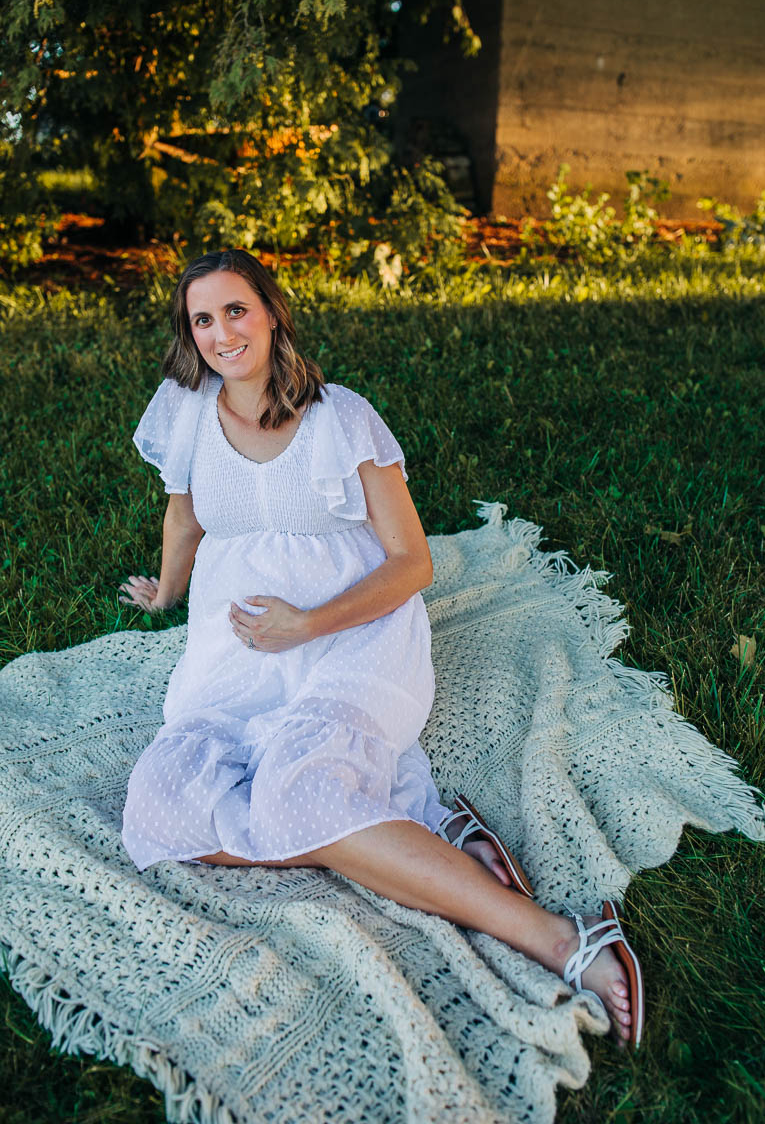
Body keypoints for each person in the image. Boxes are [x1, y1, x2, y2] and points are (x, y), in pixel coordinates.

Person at [118, 248, 642, 1048]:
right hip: (236, 661)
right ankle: (416, 833)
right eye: (203, 319)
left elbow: (412, 563)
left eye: (236, 310)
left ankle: (557, 937)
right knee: (158, 813)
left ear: (272, 313)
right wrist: (166, 592)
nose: (222, 333)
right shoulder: (188, 411)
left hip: (350, 639)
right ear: (189, 335)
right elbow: (184, 517)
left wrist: (307, 624)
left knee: (297, 795)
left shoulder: (340, 418)